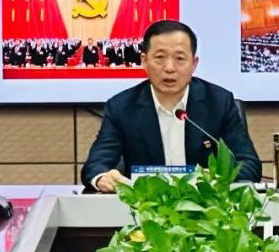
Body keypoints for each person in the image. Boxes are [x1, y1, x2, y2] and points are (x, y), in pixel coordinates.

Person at [81, 20, 261, 192]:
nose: (169, 68)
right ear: (144, 61)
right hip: (144, 208)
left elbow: (248, 164)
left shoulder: (219, 103)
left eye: (180, 58)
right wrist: (102, 177)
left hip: (207, 207)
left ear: (194, 64)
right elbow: (96, 165)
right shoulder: (121, 107)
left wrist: (214, 179)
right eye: (159, 57)